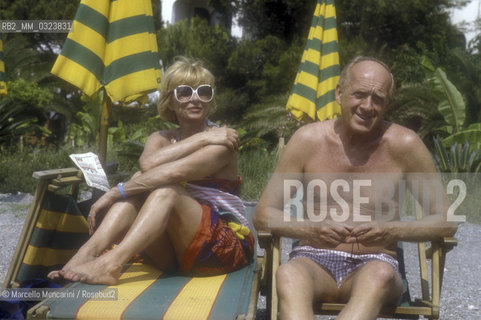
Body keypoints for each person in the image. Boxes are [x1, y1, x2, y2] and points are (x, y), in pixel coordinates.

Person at [254, 56, 457, 320]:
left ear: (388, 104)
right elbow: (263, 214)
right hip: (313, 260)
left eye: (378, 98)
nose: (367, 106)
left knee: (380, 276)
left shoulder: (405, 145)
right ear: (339, 93)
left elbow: (446, 219)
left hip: (375, 263)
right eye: (359, 94)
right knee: (289, 274)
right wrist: (310, 228)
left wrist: (391, 230)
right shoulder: (307, 140)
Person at [48, 57, 254, 285]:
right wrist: (203, 137)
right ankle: (85, 255)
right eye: (184, 92)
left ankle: (110, 264)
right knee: (140, 182)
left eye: (204, 92)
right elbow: (148, 165)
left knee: (166, 191)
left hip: (221, 247)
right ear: (170, 102)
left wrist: (116, 191)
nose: (195, 99)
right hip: (174, 252)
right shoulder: (162, 138)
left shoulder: (223, 141)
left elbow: (173, 174)